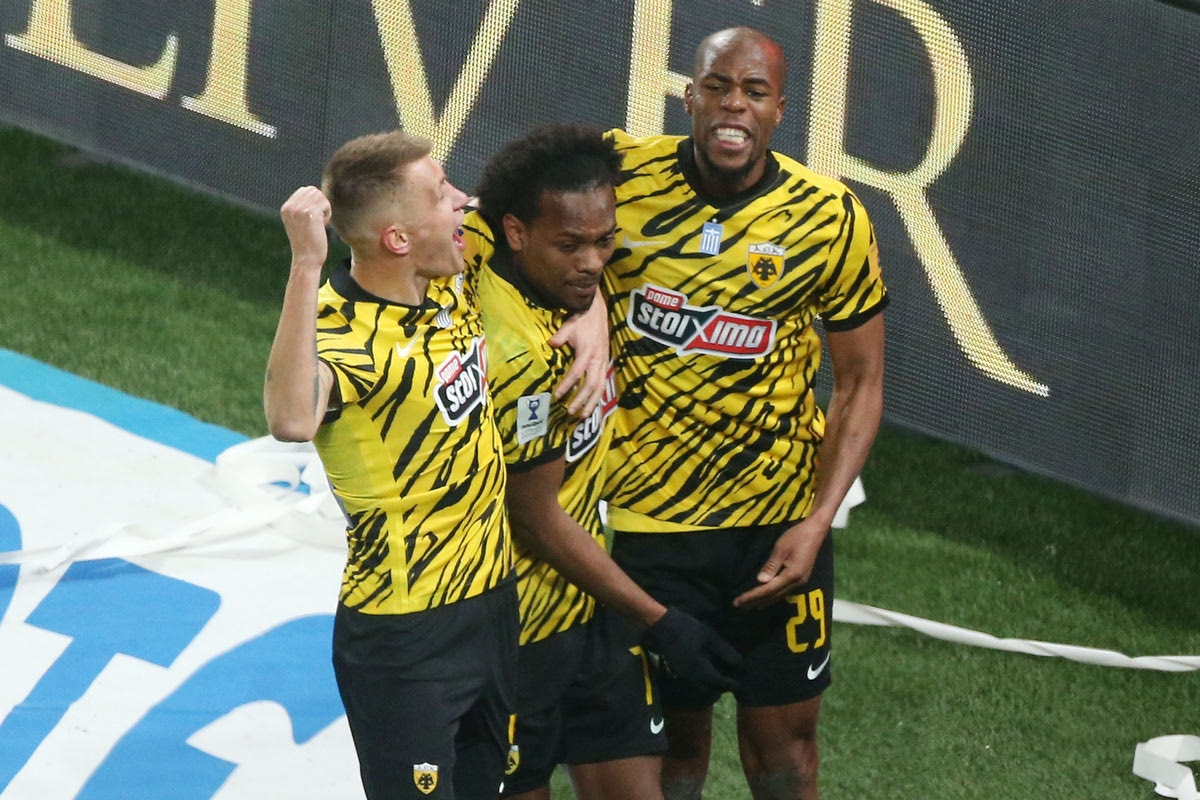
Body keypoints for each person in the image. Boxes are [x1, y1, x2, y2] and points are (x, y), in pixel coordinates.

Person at [262, 130, 606, 799]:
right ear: (397, 238)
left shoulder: (449, 276)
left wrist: (590, 312)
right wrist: (306, 265)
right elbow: (292, 420)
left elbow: (570, 245)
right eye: (442, 194)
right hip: (406, 635)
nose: (464, 202)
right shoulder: (337, 335)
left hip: (492, 606)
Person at [601, 28, 889, 800]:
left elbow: (861, 383)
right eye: (718, 87)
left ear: (780, 110)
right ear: (687, 96)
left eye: (754, 92)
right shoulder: (618, 176)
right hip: (653, 527)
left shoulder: (828, 216)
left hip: (777, 530)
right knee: (671, 757)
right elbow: (532, 235)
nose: (734, 106)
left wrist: (816, 522)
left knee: (785, 760)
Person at [465, 124, 742, 800]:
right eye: (571, 246)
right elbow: (534, 519)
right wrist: (659, 619)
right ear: (515, 232)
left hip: (587, 613)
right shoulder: (519, 355)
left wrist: (593, 307)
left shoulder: (563, 281)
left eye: (604, 241)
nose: (593, 262)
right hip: (515, 635)